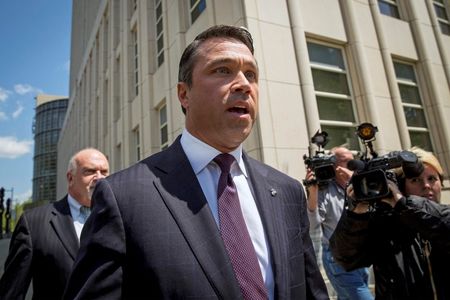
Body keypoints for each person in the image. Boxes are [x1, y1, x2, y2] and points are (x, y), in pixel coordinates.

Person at [63, 25, 329, 300]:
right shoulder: (123, 196)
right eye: (222, 70)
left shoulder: (287, 191)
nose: (244, 84)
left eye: (251, 74)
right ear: (184, 94)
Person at [329, 147, 450, 299]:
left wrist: (405, 205)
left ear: (441, 182)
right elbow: (345, 258)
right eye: (415, 180)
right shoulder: (385, 225)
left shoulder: (445, 217)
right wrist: (356, 214)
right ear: (401, 186)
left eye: (432, 178)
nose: (426, 185)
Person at [0, 148, 109, 300]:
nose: (100, 178)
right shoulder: (34, 222)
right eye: (90, 171)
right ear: (70, 178)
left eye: (104, 172)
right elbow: (12, 291)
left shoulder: (120, 217)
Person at [306, 147, 373, 300]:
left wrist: (356, 183)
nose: (354, 165)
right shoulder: (325, 191)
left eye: (353, 160)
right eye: (347, 162)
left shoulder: (359, 185)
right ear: (334, 166)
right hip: (337, 258)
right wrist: (313, 192)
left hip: (361, 255)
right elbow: (313, 223)